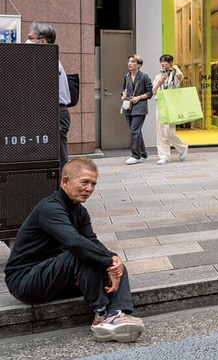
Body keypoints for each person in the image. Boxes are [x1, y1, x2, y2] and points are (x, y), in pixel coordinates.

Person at [4, 158, 145, 343]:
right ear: (65, 181)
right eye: (84, 182)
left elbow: (92, 242)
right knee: (81, 253)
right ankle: (101, 316)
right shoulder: (50, 208)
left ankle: (118, 314)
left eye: (93, 184)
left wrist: (114, 260)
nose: (89, 189)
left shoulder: (80, 212)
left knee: (115, 263)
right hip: (26, 280)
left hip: (57, 277)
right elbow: (74, 242)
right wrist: (108, 261)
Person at [26, 22, 71, 171]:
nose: (27, 41)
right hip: (53, 112)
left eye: (30, 38)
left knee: (59, 158)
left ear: (42, 41)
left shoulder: (47, 60)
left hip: (55, 113)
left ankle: (68, 190)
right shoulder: (46, 59)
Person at [151, 54, 189, 165]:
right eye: (162, 62)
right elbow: (153, 91)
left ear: (170, 62)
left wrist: (176, 67)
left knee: (168, 131)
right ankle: (164, 156)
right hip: (161, 104)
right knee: (160, 131)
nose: (163, 64)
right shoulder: (158, 76)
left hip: (171, 105)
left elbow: (181, 76)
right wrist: (160, 81)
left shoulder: (174, 75)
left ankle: (183, 147)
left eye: (166, 61)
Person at [121, 54, 153, 165]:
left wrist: (139, 97)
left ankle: (136, 155)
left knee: (134, 130)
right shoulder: (126, 76)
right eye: (129, 61)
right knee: (136, 131)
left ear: (139, 65)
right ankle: (143, 153)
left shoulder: (144, 77)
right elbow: (123, 88)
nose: (130, 63)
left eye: (133, 62)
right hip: (128, 105)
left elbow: (150, 92)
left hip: (139, 107)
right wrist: (123, 94)